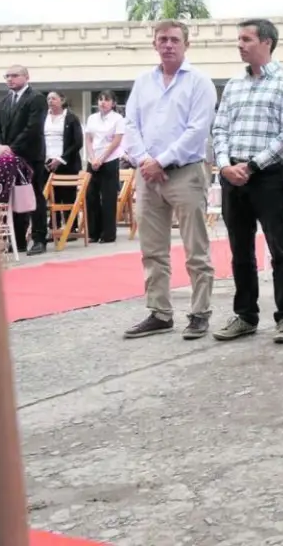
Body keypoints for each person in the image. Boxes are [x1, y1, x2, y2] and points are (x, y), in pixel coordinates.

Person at [121, 21, 219, 339]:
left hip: (185, 173)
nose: (168, 45)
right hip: (147, 176)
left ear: (186, 44)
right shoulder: (143, 82)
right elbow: (130, 125)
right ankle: (159, 312)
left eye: (175, 39)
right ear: (154, 44)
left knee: (195, 248)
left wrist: (160, 161)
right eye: (162, 39)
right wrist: (145, 161)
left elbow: (197, 130)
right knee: (152, 249)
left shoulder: (199, 82)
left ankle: (200, 312)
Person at [211, 19, 283, 345]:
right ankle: (246, 316)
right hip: (232, 178)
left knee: (280, 250)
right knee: (240, 251)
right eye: (239, 39)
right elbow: (219, 128)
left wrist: (252, 166)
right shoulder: (233, 85)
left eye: (246, 39)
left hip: (268, 177)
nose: (240, 45)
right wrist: (225, 165)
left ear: (266, 42)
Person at [0, 66, 48, 255]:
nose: (10, 79)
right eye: (7, 76)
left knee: (34, 195)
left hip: (30, 155)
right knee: (11, 195)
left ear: (26, 77)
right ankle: (18, 240)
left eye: (14, 75)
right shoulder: (5, 100)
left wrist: (11, 148)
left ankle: (39, 239)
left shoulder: (36, 98)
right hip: (7, 158)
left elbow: (33, 128)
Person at [84, 90, 125, 243]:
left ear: (113, 103)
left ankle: (108, 234)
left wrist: (101, 159)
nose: (103, 102)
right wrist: (92, 157)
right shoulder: (92, 118)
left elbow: (116, 141)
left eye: (107, 100)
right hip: (93, 159)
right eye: (100, 99)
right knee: (91, 195)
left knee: (108, 197)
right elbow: (88, 139)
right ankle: (93, 232)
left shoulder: (118, 118)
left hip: (109, 159)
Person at [43, 92, 84, 208]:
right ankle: (53, 220)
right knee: (49, 199)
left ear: (62, 100)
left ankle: (70, 220)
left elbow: (78, 142)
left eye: (54, 98)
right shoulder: (43, 117)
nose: (50, 101)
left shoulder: (71, 118)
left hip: (66, 163)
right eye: (48, 99)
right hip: (46, 163)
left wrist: (61, 159)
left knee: (67, 199)